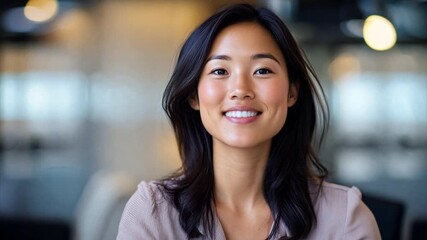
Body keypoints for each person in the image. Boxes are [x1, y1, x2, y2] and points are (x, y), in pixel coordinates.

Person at [117, 3, 381, 240]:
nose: (240, 89)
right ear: (193, 96)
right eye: (220, 71)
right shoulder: (152, 212)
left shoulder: (345, 219)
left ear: (292, 92)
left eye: (262, 70)